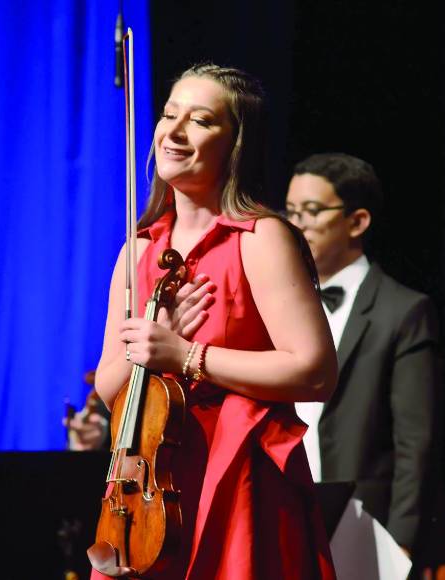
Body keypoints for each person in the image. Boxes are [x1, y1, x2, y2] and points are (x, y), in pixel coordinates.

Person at [92, 64, 338, 579]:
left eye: (200, 120)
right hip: (146, 488)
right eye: (167, 115)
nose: (173, 132)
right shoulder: (138, 248)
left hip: (235, 478)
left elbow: (315, 372)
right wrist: (155, 332)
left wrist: (186, 356)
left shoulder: (260, 237)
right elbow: (109, 389)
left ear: (236, 144)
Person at [285, 153, 445, 576]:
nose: (297, 224)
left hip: (366, 527)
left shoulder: (404, 311)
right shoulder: (279, 305)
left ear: (357, 222)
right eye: (290, 212)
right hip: (287, 515)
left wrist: (402, 545)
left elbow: (417, 442)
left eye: (312, 211)